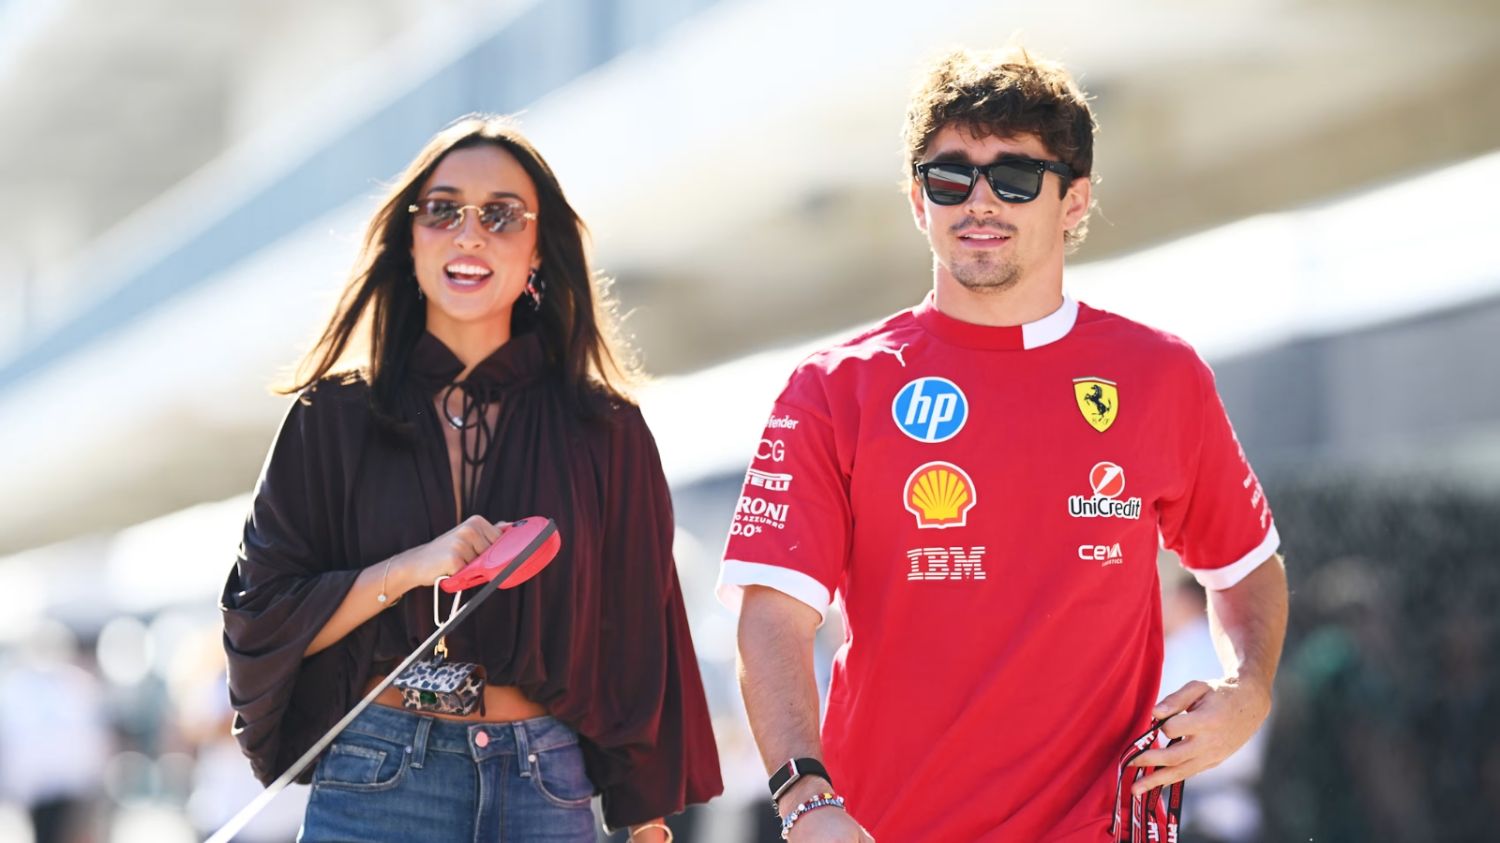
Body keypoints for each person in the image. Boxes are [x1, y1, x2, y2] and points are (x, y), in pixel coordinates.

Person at [718, 47, 1289, 842]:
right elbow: (773, 617)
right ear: (917, 200)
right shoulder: (832, 388)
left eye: (1014, 176)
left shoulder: (1163, 376)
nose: (979, 200)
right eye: (950, 177)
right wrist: (804, 796)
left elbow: (1247, 565)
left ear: (1074, 199)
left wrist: (1249, 688)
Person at [221, 114, 722, 842]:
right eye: (443, 210)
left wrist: (644, 819)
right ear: (410, 238)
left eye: (501, 215)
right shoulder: (331, 417)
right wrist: (408, 568)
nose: (469, 234)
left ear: (539, 248)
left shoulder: (605, 429)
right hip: (379, 775)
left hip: (544, 785)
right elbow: (260, 612)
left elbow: (641, 631)